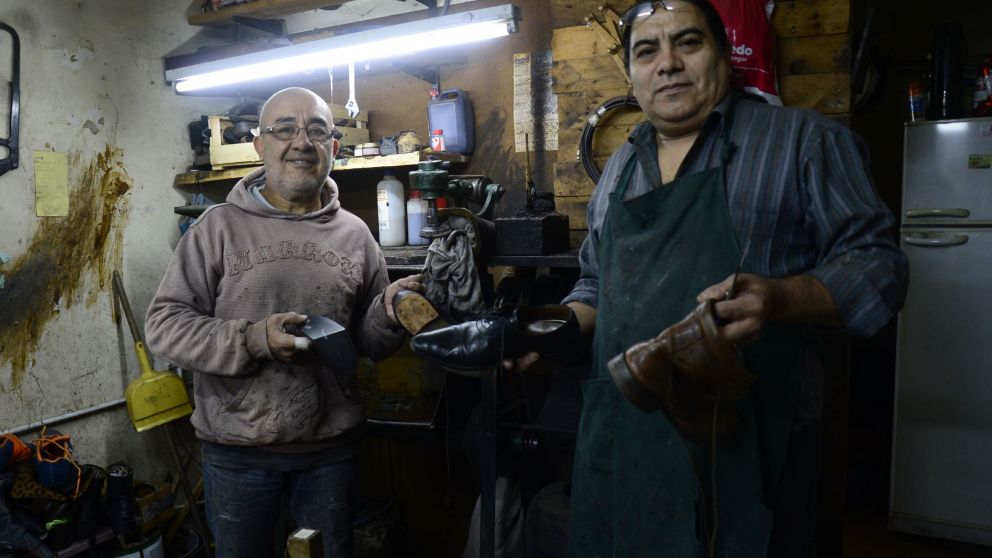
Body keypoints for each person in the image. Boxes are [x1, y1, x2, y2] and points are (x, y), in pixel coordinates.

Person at [514, 1, 908, 556]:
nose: (668, 63)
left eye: (689, 43)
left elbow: (879, 265)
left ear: (724, 55)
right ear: (631, 73)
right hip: (634, 439)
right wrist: (545, 331)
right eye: (647, 51)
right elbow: (596, 287)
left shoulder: (804, 141)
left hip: (755, 440)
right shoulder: (620, 169)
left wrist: (781, 298)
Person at [145, 87, 420, 557]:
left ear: (334, 147)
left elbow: (366, 344)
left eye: (317, 130)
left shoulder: (355, 235)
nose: (302, 142)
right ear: (259, 145)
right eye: (285, 129)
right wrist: (254, 339)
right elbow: (165, 326)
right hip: (237, 454)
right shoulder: (217, 228)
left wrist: (391, 311)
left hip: (331, 453)